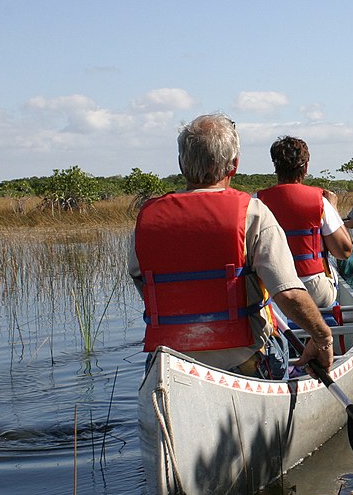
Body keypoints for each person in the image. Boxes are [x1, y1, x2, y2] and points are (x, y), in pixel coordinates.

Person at [127, 113, 333, 377]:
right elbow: (289, 294)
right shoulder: (253, 213)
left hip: (170, 362)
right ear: (234, 165)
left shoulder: (147, 220)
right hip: (244, 360)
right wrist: (322, 338)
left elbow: (145, 286)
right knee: (278, 346)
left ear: (181, 164)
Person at [256, 136, 353, 308]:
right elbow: (344, 251)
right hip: (313, 289)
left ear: (276, 167)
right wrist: (333, 207)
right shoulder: (319, 200)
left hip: (272, 290)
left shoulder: (257, 202)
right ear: (305, 167)